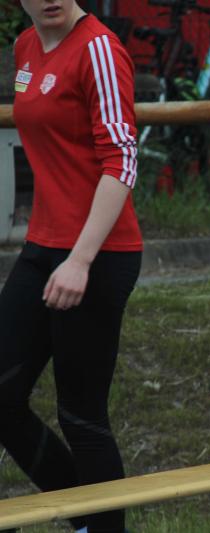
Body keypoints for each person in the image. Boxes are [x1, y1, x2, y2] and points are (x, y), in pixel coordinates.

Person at [1, 1, 141, 532]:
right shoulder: (26, 46)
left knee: (81, 414)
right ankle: (84, 517)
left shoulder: (99, 48)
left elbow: (122, 159)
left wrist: (81, 260)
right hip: (43, 246)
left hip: (99, 253)